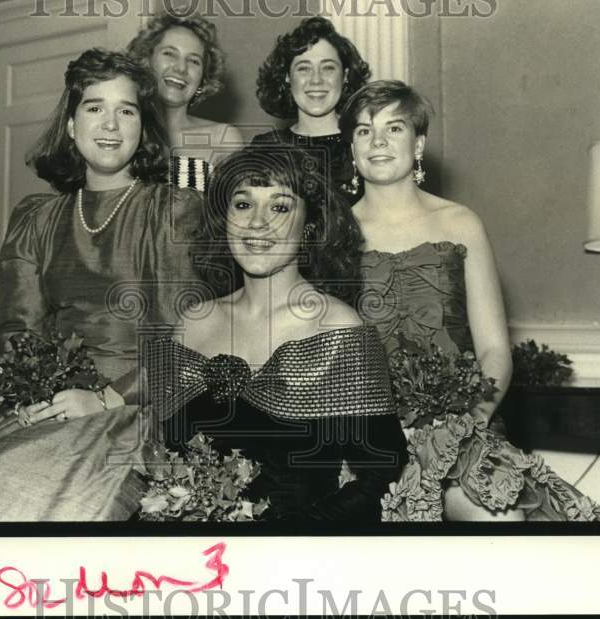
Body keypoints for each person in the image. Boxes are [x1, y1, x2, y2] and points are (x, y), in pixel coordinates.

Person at [0, 49, 204, 521]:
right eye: (95, 108)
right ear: (73, 126)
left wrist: (104, 399)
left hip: (138, 403)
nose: (111, 125)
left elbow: (188, 335)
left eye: (126, 110)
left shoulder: (174, 211)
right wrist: (40, 395)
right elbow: (19, 327)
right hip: (49, 400)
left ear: (144, 128)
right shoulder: (36, 217)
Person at [340, 80, 600, 522]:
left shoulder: (461, 223)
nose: (380, 141)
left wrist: (464, 426)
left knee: (499, 517)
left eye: (395, 128)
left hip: (464, 425)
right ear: (352, 148)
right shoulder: (336, 233)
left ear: (419, 142)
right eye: (365, 131)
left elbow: (494, 350)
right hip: (366, 439)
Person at [142, 145, 407, 521]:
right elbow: (166, 461)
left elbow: (378, 478)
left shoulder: (338, 329)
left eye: (280, 207)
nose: (257, 223)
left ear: (310, 224)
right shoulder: (192, 324)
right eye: (243, 204)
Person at [251, 16, 370, 200]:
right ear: (287, 77)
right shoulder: (265, 148)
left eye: (328, 68)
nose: (316, 80)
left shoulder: (367, 143)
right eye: (303, 68)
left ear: (345, 76)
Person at [127, 11, 243, 191]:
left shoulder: (223, 138)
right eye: (169, 54)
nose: (181, 68)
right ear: (146, 60)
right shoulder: (121, 131)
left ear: (203, 78)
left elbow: (237, 213)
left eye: (194, 61)